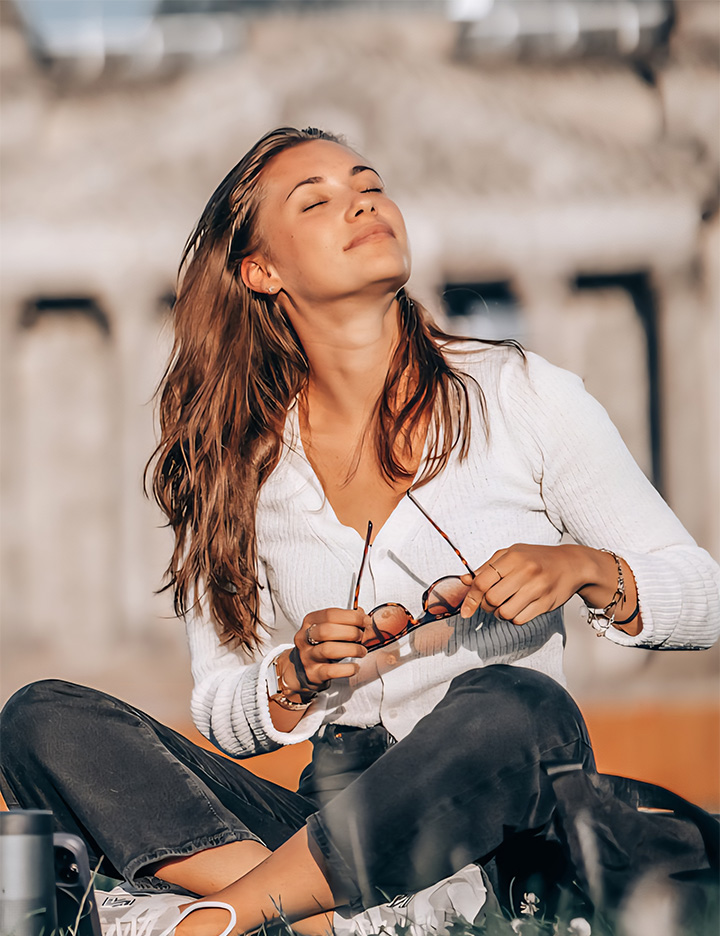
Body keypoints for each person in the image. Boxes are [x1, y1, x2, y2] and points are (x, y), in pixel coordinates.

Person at [1, 126, 718, 936]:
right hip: (320, 828)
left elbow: (704, 595)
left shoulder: (524, 395)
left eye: (368, 183)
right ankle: (327, 921)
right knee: (39, 720)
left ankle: (220, 922)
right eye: (318, 201)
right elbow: (220, 703)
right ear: (261, 271)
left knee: (520, 703)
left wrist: (589, 569)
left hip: (491, 833)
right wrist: (292, 677)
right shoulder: (237, 465)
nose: (362, 201)